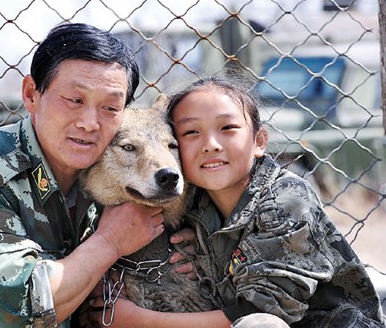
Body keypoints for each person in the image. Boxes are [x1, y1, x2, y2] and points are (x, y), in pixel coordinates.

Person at [0, 22, 194, 328]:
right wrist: (110, 241)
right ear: (32, 94)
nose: (90, 123)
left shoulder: (105, 162)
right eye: (75, 100)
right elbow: (24, 310)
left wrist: (183, 247)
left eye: (110, 108)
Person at [89, 75, 385, 327]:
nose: (211, 145)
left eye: (227, 128)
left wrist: (135, 319)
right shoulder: (194, 204)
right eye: (191, 133)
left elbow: (262, 311)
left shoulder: (287, 200)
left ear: (259, 142)